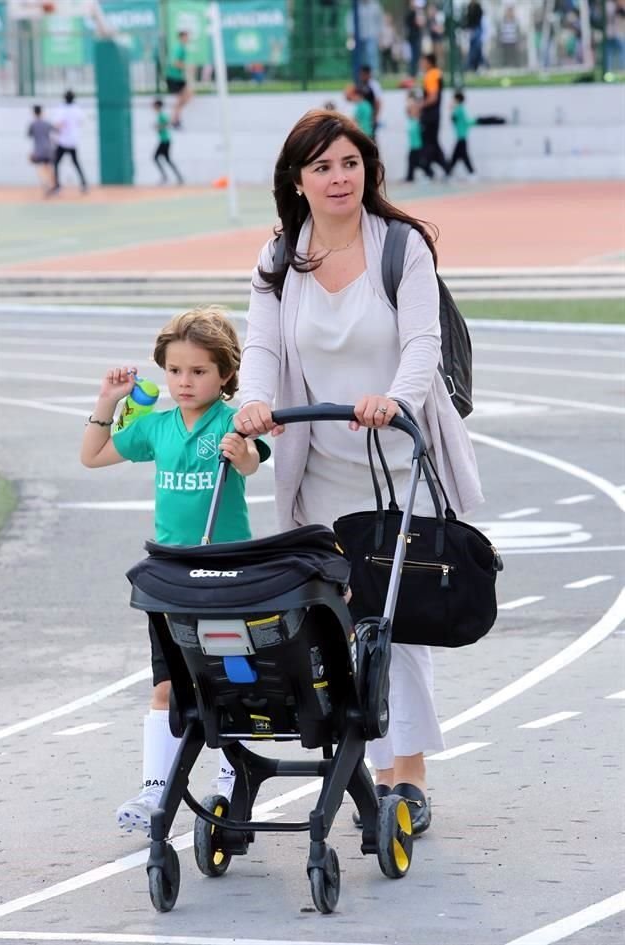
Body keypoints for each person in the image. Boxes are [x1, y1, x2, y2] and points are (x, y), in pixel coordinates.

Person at [233, 109, 483, 835]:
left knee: (396, 619)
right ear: (297, 180)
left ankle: (407, 774)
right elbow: (263, 350)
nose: (339, 177)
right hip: (322, 468)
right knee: (337, 623)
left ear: (368, 169)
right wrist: (254, 403)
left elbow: (422, 342)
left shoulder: (402, 247)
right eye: (322, 167)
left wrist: (393, 401)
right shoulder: (279, 258)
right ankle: (370, 763)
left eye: (349, 163)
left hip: (399, 458)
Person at [80, 307, 269, 834]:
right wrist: (108, 401)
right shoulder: (158, 428)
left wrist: (244, 452)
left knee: (234, 677)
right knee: (166, 686)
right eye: (176, 371)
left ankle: (236, 778)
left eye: (199, 371)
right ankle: (155, 790)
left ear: (226, 375)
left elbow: (254, 459)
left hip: (228, 575)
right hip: (171, 577)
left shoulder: (231, 420)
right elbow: (92, 456)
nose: (185, 382)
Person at [47, 90, 87, 197]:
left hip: (63, 141)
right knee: (76, 163)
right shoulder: (77, 109)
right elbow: (81, 121)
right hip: (73, 141)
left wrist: (55, 135)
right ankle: (84, 184)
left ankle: (57, 186)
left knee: (56, 163)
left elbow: (57, 124)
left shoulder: (61, 109)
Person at [419, 52, 448, 178]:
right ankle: (445, 168)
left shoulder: (431, 75)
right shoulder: (437, 74)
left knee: (429, 143)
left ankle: (429, 170)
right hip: (435, 115)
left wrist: (420, 105)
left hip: (430, 115)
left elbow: (433, 97)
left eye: (423, 62)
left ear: (429, 63)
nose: (421, 64)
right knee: (433, 143)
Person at [152, 98, 184, 185]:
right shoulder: (159, 115)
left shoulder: (162, 115)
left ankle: (166, 177)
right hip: (163, 140)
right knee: (166, 159)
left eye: (154, 105)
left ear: (158, 106)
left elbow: (169, 122)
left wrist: (159, 127)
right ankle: (176, 176)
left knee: (156, 158)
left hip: (165, 140)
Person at [165, 30, 192, 129]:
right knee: (185, 97)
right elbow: (175, 63)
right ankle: (174, 120)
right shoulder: (179, 48)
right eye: (187, 36)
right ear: (182, 37)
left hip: (177, 77)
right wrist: (187, 67)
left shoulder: (181, 48)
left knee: (185, 97)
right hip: (173, 77)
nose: (188, 39)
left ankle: (175, 119)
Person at [447, 90, 477, 179]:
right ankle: (449, 173)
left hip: (461, 137)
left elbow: (453, 119)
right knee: (456, 157)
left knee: (462, 156)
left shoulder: (459, 109)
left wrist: (451, 108)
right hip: (461, 137)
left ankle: (472, 173)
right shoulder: (460, 109)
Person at [27, 104, 54, 195]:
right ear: (41, 112)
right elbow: (55, 130)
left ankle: (45, 184)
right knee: (49, 167)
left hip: (38, 150)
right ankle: (51, 185)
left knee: (40, 168)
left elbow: (30, 135)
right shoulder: (46, 123)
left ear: (34, 113)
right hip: (48, 149)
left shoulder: (32, 124)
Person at [405, 92, 430, 183]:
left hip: (418, 146)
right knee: (412, 161)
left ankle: (429, 173)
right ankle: (410, 177)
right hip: (413, 145)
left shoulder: (418, 122)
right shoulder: (411, 121)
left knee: (418, 162)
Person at [358, 64, 382, 141]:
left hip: (371, 116)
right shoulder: (362, 84)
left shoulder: (374, 85)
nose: (361, 76)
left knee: (371, 139)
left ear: (368, 74)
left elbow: (378, 102)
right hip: (363, 116)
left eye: (363, 74)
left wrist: (375, 117)